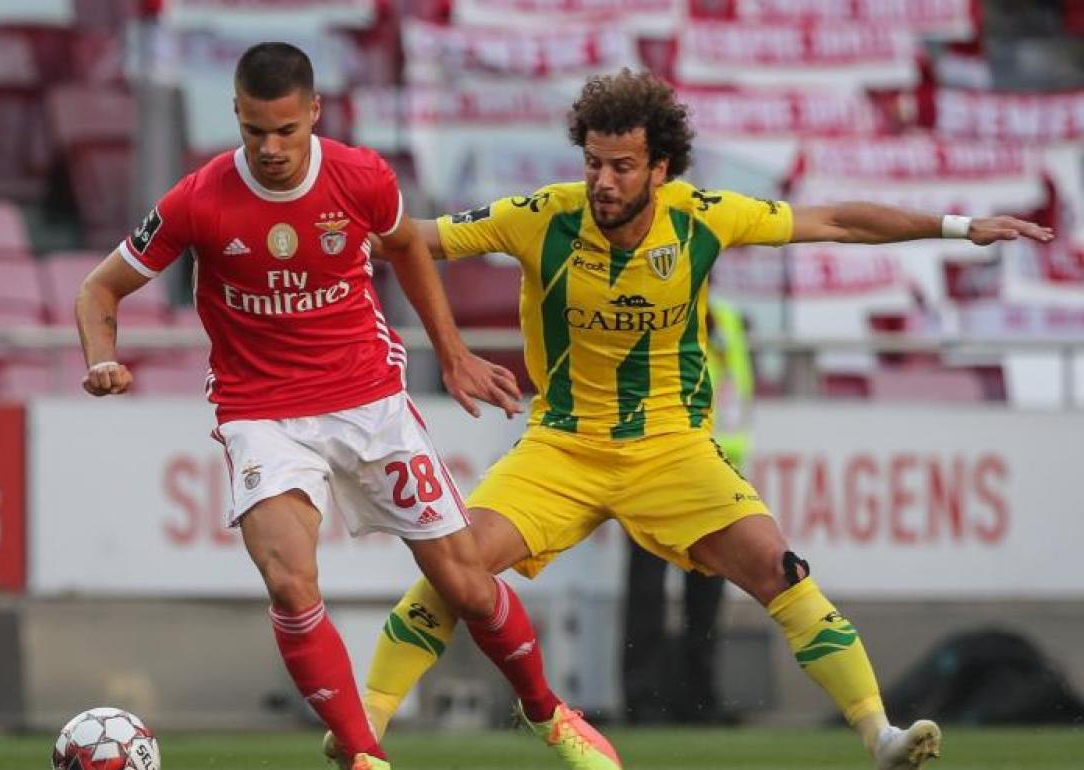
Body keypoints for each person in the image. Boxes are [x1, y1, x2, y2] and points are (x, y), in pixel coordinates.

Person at [333, 69, 1054, 770]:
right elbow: (414, 237)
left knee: (781, 568)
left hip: (673, 450)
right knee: (457, 571)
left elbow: (835, 221)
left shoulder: (703, 215)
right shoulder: (542, 217)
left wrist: (959, 227)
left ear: (661, 168)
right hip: (561, 448)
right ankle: (363, 733)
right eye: (593, 164)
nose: (603, 182)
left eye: (622, 166)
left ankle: (880, 735)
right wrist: (323, 232)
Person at [73, 43, 621, 770]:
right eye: (255, 132)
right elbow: (98, 290)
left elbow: (406, 249)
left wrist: (451, 353)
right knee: (291, 580)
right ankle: (363, 756)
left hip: (369, 402)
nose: (271, 148)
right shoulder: (198, 199)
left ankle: (548, 713)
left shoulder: (361, 176)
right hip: (261, 413)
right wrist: (101, 359)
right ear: (236, 115)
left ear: (314, 114)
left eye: (286, 131)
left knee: (464, 580)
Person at [621, 298, 751, 725]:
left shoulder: (729, 319)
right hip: (655, 467)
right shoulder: (656, 306)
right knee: (647, 591)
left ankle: (700, 700)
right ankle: (642, 701)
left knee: (706, 592)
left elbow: (737, 392)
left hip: (714, 476)